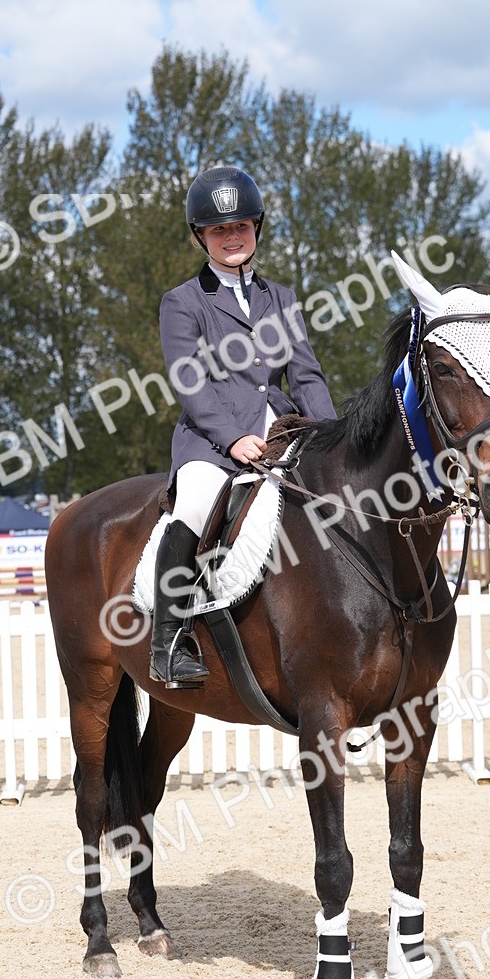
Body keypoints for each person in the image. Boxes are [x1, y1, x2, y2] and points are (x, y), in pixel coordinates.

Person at [150, 165, 337, 688]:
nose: (231, 238)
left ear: (257, 228)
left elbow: (306, 374)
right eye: (218, 230)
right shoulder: (182, 303)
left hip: (282, 431)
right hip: (211, 440)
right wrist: (232, 437)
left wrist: (332, 436)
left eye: (240, 227)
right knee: (193, 503)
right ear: (200, 237)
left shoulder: (282, 298)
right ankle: (169, 642)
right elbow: (189, 382)